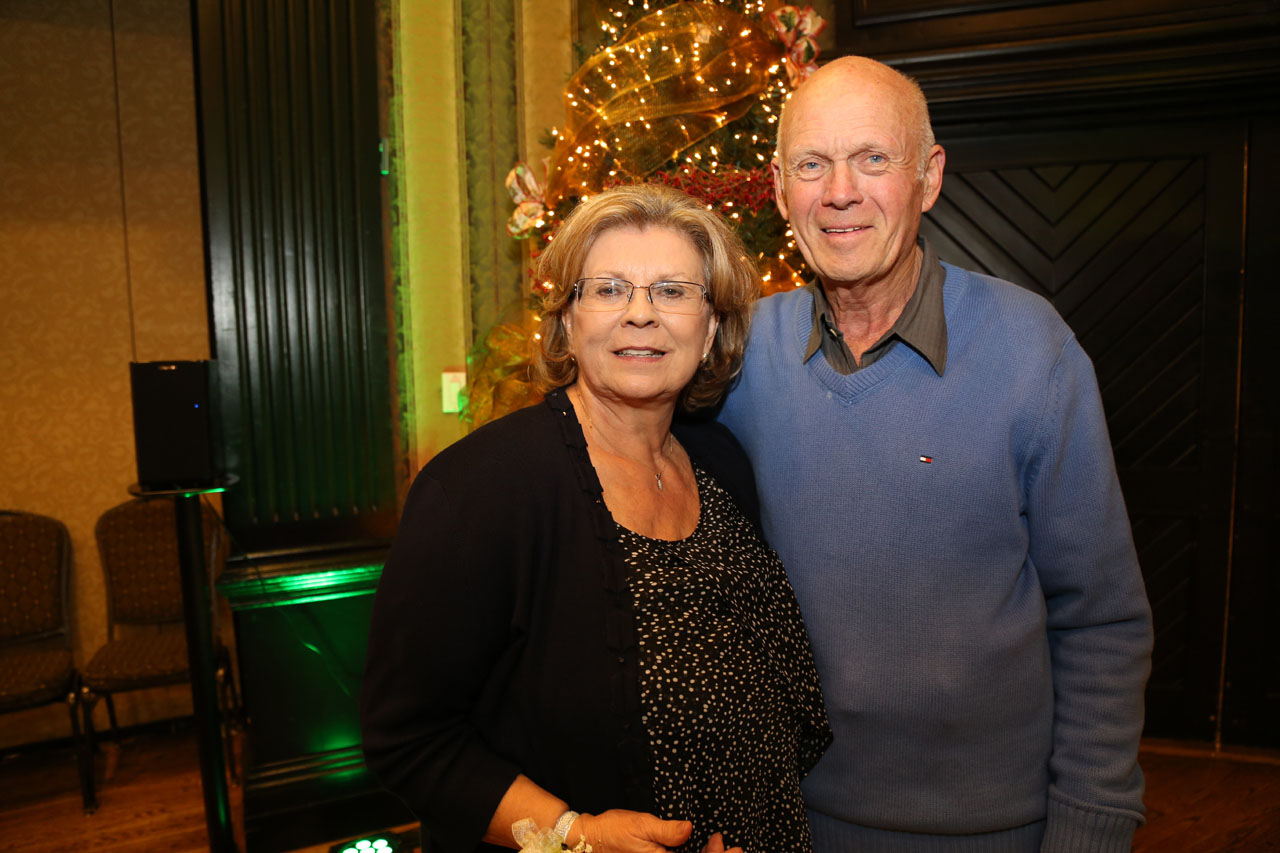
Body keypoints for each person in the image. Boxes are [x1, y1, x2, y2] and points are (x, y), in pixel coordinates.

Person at [717, 56, 1154, 851]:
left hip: (995, 828)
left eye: (873, 158)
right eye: (812, 164)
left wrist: (1090, 827)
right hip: (789, 824)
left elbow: (1102, 618)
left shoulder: (1032, 350)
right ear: (780, 189)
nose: (839, 191)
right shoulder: (741, 358)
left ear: (929, 177)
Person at [362, 183, 830, 853]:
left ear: (713, 328)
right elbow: (407, 738)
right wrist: (572, 834)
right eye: (608, 289)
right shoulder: (480, 488)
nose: (641, 315)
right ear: (567, 322)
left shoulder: (722, 461)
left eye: (673, 291)